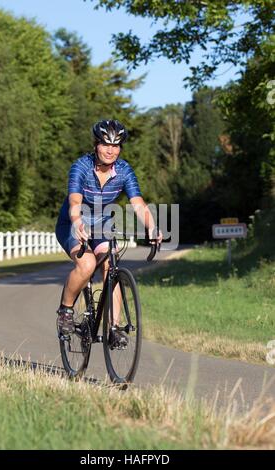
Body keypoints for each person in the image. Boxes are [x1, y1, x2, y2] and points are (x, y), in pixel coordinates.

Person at [55, 119, 162, 347]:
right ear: (96, 145)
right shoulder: (81, 167)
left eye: (115, 146)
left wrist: (151, 226)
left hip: (102, 227)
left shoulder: (124, 171)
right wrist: (76, 221)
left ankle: (113, 327)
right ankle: (65, 310)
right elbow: (75, 201)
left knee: (110, 267)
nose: (110, 150)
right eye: (105, 144)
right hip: (72, 224)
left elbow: (138, 203)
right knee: (86, 265)